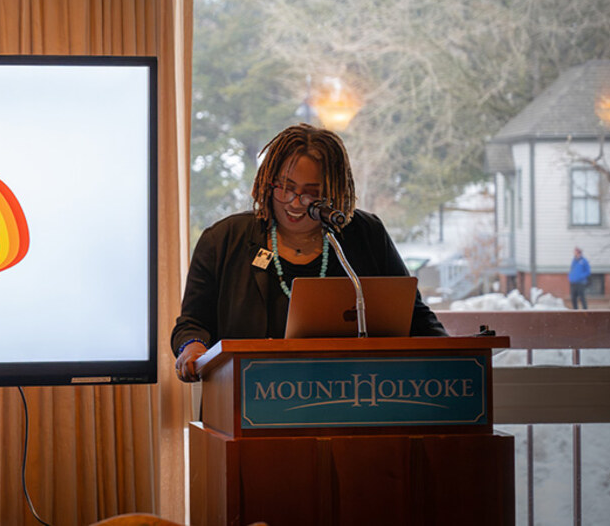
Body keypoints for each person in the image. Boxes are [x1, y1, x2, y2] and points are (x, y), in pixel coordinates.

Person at [172, 123, 446, 382]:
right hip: (245, 400)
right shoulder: (223, 240)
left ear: (335, 192)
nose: (294, 202)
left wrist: (455, 356)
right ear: (268, 182)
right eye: (286, 187)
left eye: (311, 193)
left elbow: (413, 315)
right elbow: (192, 324)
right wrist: (192, 347)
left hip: (353, 397)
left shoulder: (365, 234)